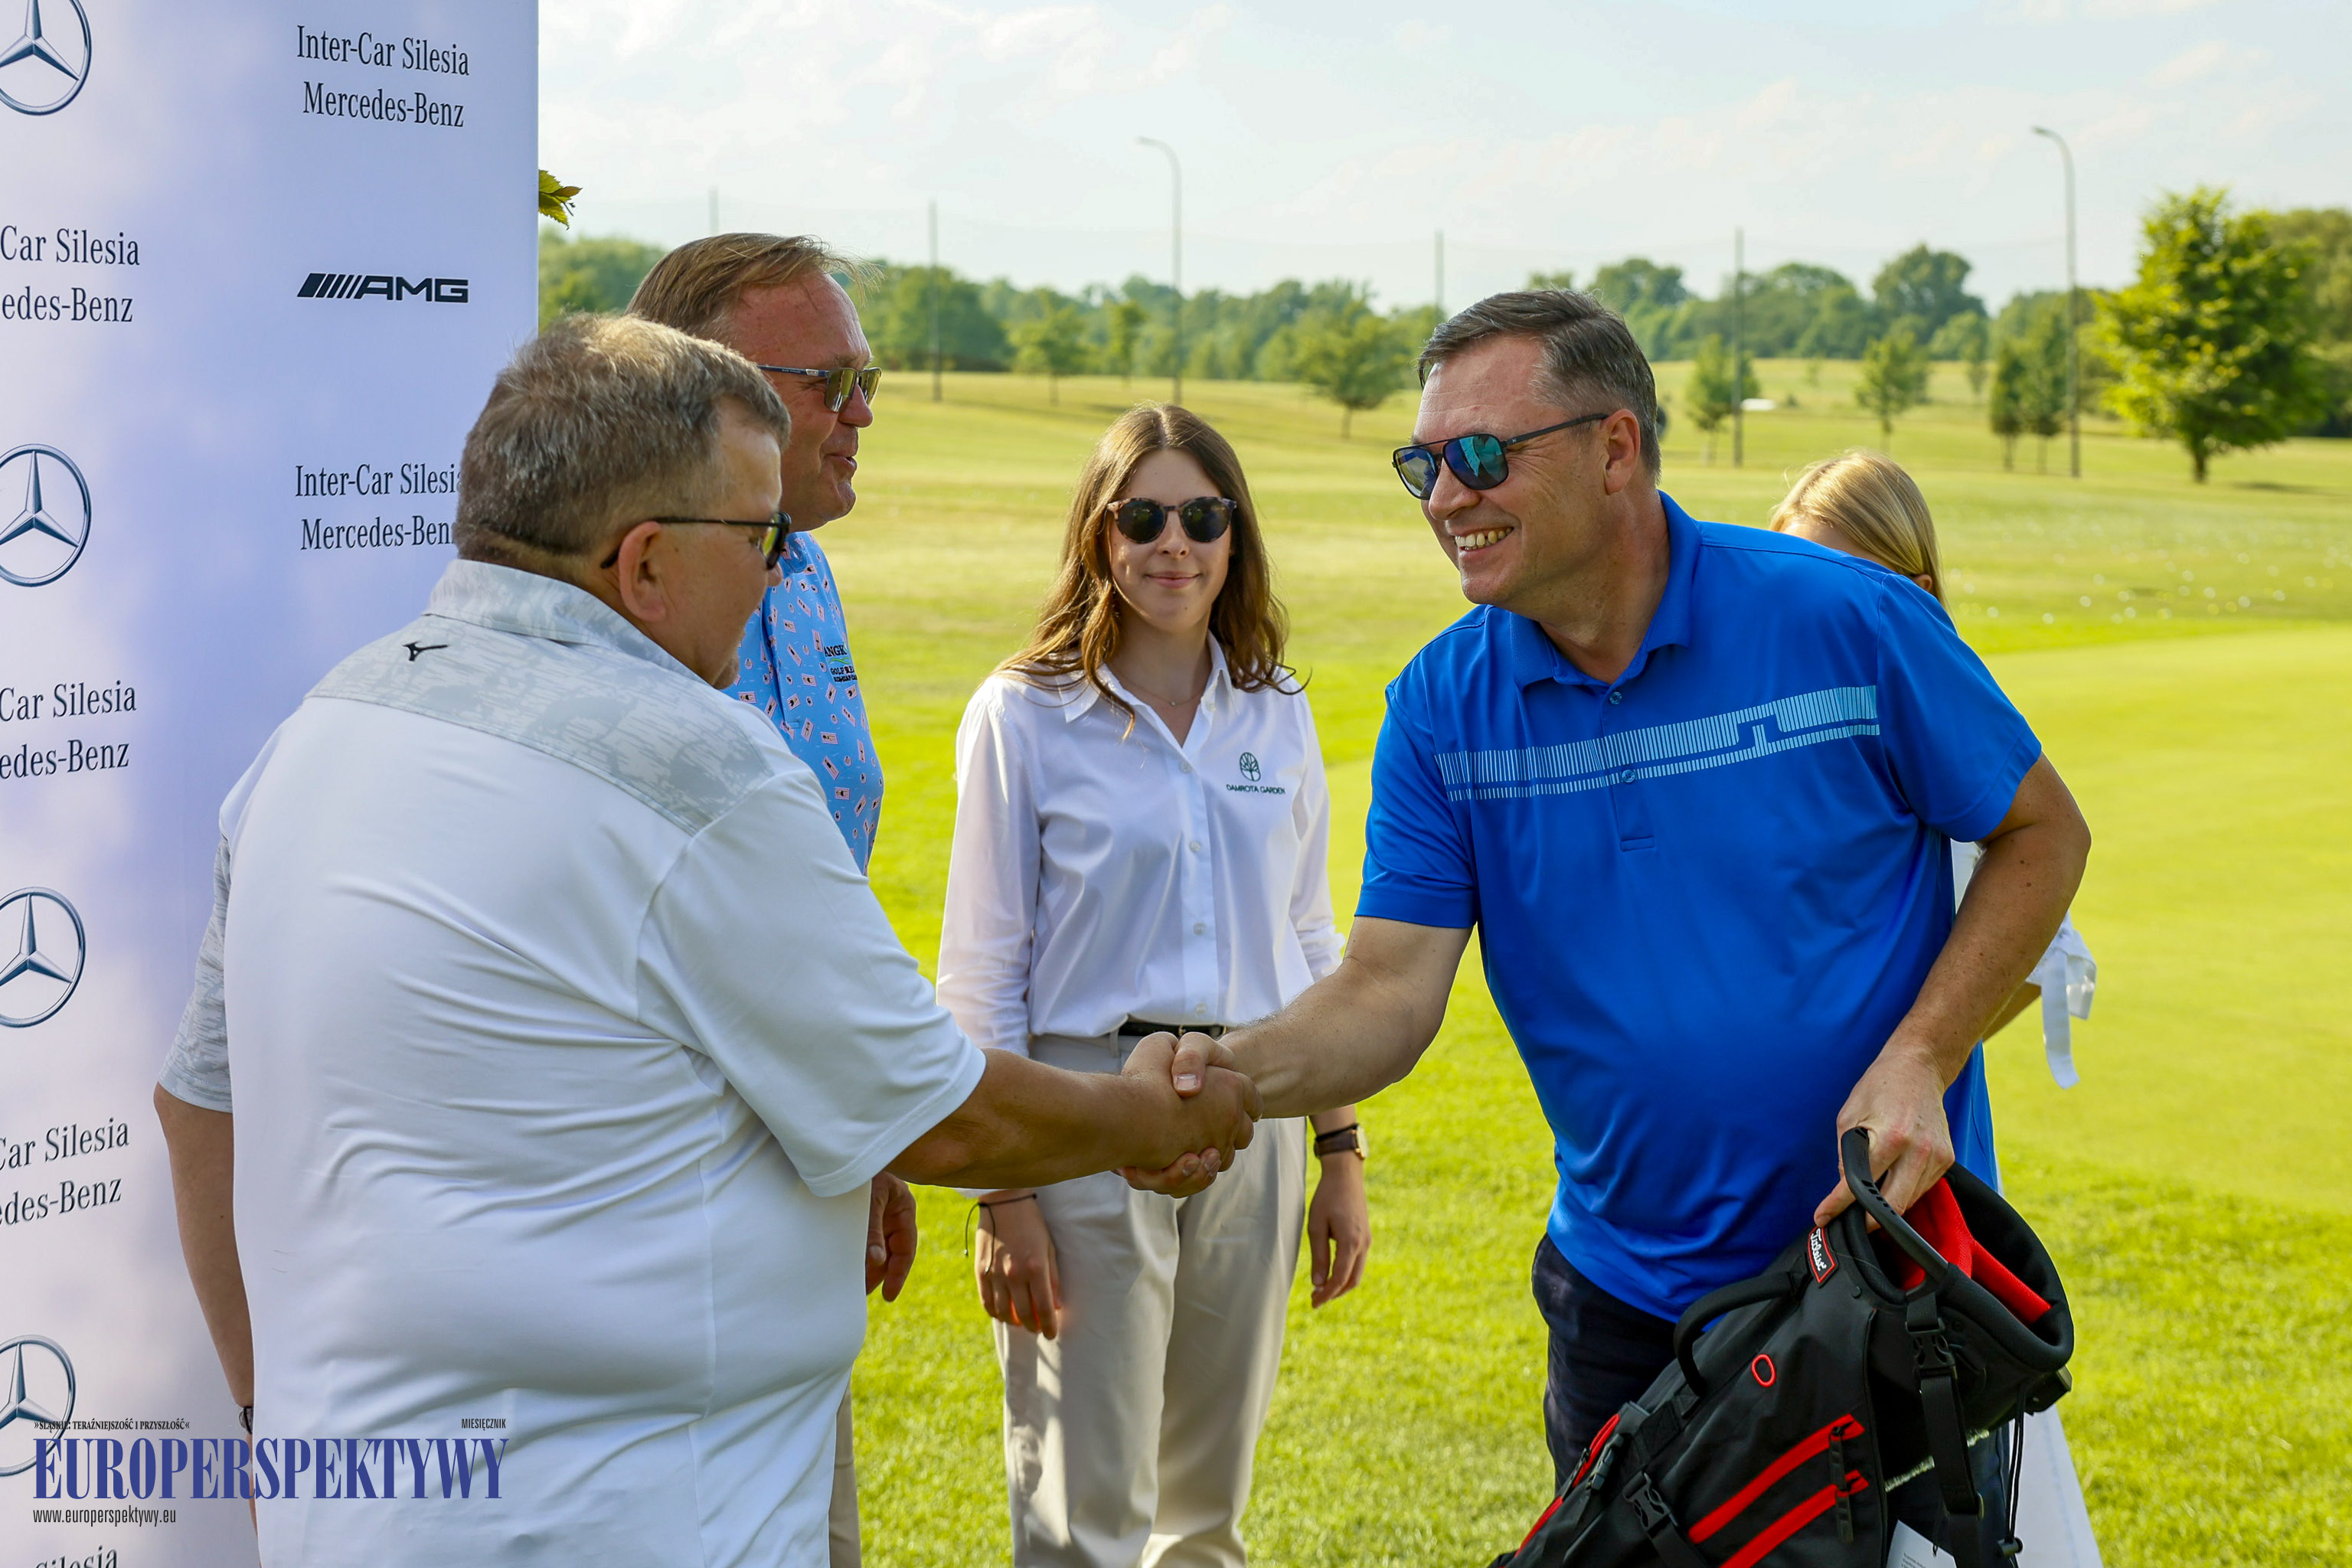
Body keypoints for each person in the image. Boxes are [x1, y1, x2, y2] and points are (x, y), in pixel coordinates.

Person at [152, 315, 1258, 1568]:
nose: (782, 572)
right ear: (646, 562)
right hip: (626, 1518)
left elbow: (201, 1107)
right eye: (764, 536)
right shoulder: (697, 767)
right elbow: (941, 1118)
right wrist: (1156, 1120)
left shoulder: (326, 724)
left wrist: (269, 1426)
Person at [1153, 289, 2091, 1558]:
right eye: (1422, 464)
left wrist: (1922, 1052)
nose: (1445, 496)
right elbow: (1385, 991)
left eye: (1482, 455)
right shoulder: (1442, 706)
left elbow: (2043, 833)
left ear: (1617, 447)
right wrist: (1231, 1074)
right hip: (1624, 1310)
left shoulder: (1849, 620)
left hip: (1879, 1279)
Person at [936, 406, 1369, 1568]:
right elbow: (983, 969)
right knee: (1083, 1512)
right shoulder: (1020, 715)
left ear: (1235, 538)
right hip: (1075, 1122)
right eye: (1143, 516)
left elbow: (1311, 933)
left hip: (1253, 1115)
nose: (1172, 542)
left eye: (1202, 516)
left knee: (1206, 1514)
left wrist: (1340, 1152)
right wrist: (1002, 1195)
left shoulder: (1276, 708)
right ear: (1099, 535)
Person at [1767, 449, 2102, 1568]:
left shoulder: (1941, 714)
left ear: (1908, 583)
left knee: (1936, 1512)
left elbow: (2044, 943)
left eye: (1851, 580)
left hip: (1921, 1202)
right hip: (1784, 1212)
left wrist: (1912, 1041)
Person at [626, 231, 894, 1567]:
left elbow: (825, 883)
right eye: (828, 384)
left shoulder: (806, 570)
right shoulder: (638, 607)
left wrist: (874, 1132)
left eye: (868, 382)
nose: (859, 417)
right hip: (665, 1217)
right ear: (708, 399)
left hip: (807, 1165)